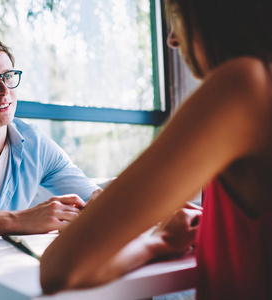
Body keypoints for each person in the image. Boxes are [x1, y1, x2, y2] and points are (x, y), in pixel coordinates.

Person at [0, 35, 201, 300]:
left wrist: (163, 210)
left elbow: (93, 198)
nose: (4, 91)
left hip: (7, 284)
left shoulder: (34, 143)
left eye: (8, 77)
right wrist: (20, 220)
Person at [40, 0, 272, 299]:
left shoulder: (245, 85)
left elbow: (60, 266)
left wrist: (159, 241)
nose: (172, 39)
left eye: (176, 14)